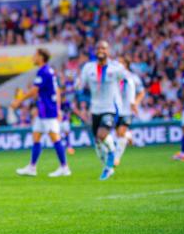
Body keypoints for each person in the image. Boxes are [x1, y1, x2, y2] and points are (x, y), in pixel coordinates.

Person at [11, 48, 70, 177]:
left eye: (35, 55)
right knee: (36, 136)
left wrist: (18, 101)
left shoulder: (43, 71)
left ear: (41, 57)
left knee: (54, 137)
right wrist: (58, 108)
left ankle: (64, 167)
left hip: (48, 109)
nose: (33, 57)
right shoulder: (49, 71)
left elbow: (34, 91)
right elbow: (57, 90)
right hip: (45, 109)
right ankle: (32, 167)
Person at [77, 41, 126, 180]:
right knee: (97, 141)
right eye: (98, 48)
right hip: (95, 109)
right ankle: (107, 167)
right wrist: (77, 85)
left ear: (108, 50)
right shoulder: (88, 68)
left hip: (111, 107)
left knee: (102, 134)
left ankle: (112, 156)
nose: (100, 50)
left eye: (103, 48)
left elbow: (126, 81)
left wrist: (124, 100)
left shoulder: (116, 68)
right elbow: (81, 83)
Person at [114, 57, 145, 166]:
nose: (118, 64)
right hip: (116, 109)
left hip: (128, 109)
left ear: (125, 65)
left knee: (120, 132)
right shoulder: (114, 77)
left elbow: (141, 92)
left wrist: (135, 102)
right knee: (118, 134)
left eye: (120, 62)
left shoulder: (133, 77)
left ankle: (116, 159)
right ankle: (128, 136)